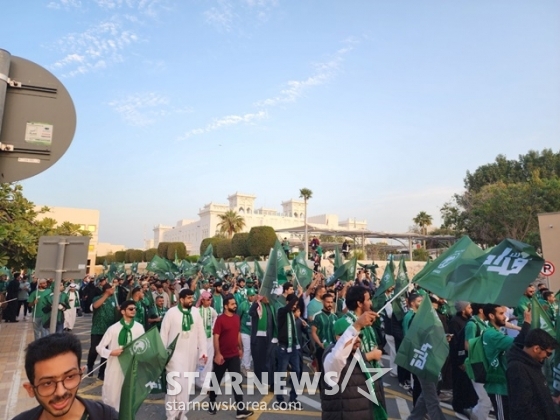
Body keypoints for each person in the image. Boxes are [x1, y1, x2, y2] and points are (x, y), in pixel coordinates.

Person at [13, 333, 118, 420]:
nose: (60, 392)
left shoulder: (107, 417)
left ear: (80, 375)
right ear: (30, 389)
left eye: (70, 377)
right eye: (47, 383)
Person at [321, 310, 380, 420]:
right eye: (353, 335)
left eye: (360, 335)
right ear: (339, 338)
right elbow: (338, 357)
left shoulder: (358, 355)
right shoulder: (330, 357)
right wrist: (356, 326)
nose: (357, 339)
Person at [161, 288, 208, 420]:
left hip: (191, 355)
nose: (191, 300)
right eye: (188, 298)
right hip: (173, 356)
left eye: (192, 298)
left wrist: (203, 351)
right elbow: (163, 335)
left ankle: (181, 414)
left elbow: (201, 334)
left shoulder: (195, 313)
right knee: (174, 384)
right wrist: (162, 354)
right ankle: (171, 415)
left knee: (186, 385)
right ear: (181, 299)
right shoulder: (171, 313)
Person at [208, 294, 254, 418]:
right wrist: (217, 354)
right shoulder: (220, 319)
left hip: (234, 355)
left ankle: (240, 409)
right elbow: (216, 337)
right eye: (232, 304)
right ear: (226, 306)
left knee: (237, 382)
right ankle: (212, 402)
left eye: (235, 303)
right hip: (222, 356)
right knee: (216, 381)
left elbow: (237, 333)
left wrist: (240, 348)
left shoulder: (236, 318)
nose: (235, 305)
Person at [482, 304, 531, 420]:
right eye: (501, 313)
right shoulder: (491, 334)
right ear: (491, 316)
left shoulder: (496, 332)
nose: (504, 317)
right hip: (499, 386)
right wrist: (527, 322)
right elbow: (519, 343)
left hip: (507, 383)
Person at [96, 300, 145, 411]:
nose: (134, 311)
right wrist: (111, 352)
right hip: (114, 366)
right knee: (112, 395)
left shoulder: (139, 328)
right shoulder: (113, 328)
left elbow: (143, 346)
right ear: (123, 311)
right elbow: (99, 348)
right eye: (131, 309)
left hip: (131, 366)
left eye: (135, 309)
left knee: (128, 396)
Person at [507, 328, 558, 420]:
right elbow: (523, 407)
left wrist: (551, 399)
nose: (547, 357)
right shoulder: (518, 368)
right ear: (536, 348)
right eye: (548, 353)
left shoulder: (531, 363)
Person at [447, 301, 477, 417]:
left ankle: (467, 405)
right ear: (463, 309)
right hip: (458, 360)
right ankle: (459, 407)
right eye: (469, 307)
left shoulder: (469, 321)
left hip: (466, 359)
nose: (471, 309)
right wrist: (459, 361)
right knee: (459, 384)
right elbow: (454, 344)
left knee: (466, 385)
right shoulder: (455, 322)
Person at [87, 283, 117, 381]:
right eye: (111, 289)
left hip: (109, 330)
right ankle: (90, 366)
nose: (113, 291)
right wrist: (106, 295)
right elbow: (95, 306)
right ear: (107, 290)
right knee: (93, 350)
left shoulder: (113, 300)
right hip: (97, 329)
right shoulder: (97, 298)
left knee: (106, 352)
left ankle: (101, 373)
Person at [194, 290, 218, 389]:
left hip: (209, 338)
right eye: (207, 300)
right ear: (202, 300)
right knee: (197, 361)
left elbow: (216, 318)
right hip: (198, 340)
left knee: (208, 361)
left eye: (210, 300)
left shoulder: (211, 310)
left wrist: (213, 328)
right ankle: (195, 380)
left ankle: (204, 381)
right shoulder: (196, 311)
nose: (209, 302)